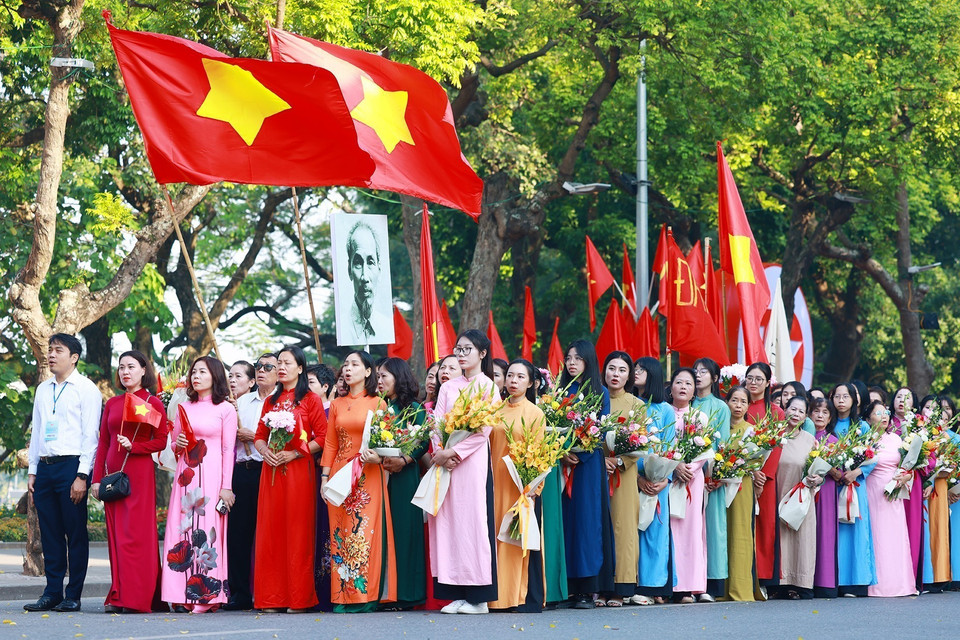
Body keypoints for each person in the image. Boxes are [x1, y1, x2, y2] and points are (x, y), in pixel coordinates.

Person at [25, 334, 102, 613]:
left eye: (58, 350)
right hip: (45, 468)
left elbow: (90, 436)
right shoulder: (43, 390)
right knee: (50, 533)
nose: (51, 354)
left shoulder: (87, 389)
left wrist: (82, 475)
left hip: (72, 468)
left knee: (75, 532)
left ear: (74, 357)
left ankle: (74, 595)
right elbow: (37, 432)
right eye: (50, 349)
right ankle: (52, 592)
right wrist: (33, 471)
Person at [91, 350, 167, 613]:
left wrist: (134, 446)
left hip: (139, 474)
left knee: (136, 536)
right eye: (121, 367)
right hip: (112, 476)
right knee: (116, 536)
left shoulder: (153, 402)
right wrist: (96, 480)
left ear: (144, 370)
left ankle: (138, 597)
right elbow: (103, 443)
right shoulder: (112, 403)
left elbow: (161, 441)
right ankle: (119, 594)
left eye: (131, 367)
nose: (125, 372)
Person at [320, 350, 396, 612]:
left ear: (368, 372)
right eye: (345, 364)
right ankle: (342, 595)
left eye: (354, 364)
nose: (347, 368)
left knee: (363, 533)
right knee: (340, 532)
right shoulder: (337, 404)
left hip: (367, 474)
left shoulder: (379, 403)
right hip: (340, 474)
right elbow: (330, 442)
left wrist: (377, 457)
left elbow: (389, 444)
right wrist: (325, 476)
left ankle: (364, 595)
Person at [254, 346, 327, 613]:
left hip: (298, 472)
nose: (281, 367)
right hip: (271, 472)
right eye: (278, 364)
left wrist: (294, 452)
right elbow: (259, 435)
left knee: (297, 533)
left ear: (300, 368)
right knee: (270, 534)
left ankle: (298, 598)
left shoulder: (310, 400)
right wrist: (265, 453)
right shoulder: (270, 402)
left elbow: (322, 437)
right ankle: (272, 598)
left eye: (286, 363)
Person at [160, 356, 236, 613]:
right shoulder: (185, 406)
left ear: (215, 376)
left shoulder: (225, 409)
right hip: (186, 478)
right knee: (181, 531)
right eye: (194, 372)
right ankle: (180, 593)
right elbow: (174, 444)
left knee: (207, 532)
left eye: (202, 372)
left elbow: (228, 449)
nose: (196, 376)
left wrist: (226, 486)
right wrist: (177, 444)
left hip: (212, 478)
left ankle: (207, 596)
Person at [558, 339, 613, 609]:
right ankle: (565, 586)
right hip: (560, 465)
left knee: (587, 525)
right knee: (565, 522)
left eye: (577, 358)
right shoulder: (559, 392)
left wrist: (579, 453)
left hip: (588, 467)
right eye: (568, 358)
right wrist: (561, 452)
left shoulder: (600, 392)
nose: (571, 363)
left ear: (588, 361)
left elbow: (599, 430)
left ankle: (585, 589)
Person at [489, 359, 547, 612]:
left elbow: (542, 455)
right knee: (495, 538)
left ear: (531, 383)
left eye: (520, 377)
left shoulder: (535, 413)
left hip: (520, 487)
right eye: (510, 375)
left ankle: (513, 596)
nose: (513, 381)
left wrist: (533, 488)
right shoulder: (493, 411)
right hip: (494, 482)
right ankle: (492, 595)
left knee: (514, 541)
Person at [225, 353, 276, 611]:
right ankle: (240, 593)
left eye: (268, 367)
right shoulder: (240, 402)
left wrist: (254, 435)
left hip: (271, 470)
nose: (261, 371)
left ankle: (271, 591)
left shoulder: (282, 403)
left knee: (271, 534)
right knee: (239, 534)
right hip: (243, 471)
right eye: (258, 367)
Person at [376, 357, 428, 610]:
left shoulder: (414, 408)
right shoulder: (378, 407)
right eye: (377, 376)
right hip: (379, 476)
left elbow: (422, 441)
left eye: (384, 376)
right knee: (383, 532)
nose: (380, 381)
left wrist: (405, 459)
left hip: (404, 476)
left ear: (398, 377)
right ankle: (385, 592)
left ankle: (407, 594)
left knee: (405, 532)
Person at [600, 351, 645, 606]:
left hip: (623, 474)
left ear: (629, 376)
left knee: (623, 527)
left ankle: (622, 586)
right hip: (596, 473)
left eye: (621, 370)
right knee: (600, 527)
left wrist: (617, 461)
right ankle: (601, 585)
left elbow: (641, 441)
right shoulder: (595, 401)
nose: (615, 374)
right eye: (611, 368)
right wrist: (599, 460)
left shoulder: (635, 405)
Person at [633, 356, 675, 605]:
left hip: (658, 481)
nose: (636, 373)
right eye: (635, 369)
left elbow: (670, 448)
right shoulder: (630, 404)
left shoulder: (665, 410)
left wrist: (665, 478)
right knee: (632, 530)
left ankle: (653, 585)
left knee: (654, 532)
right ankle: (632, 581)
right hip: (631, 477)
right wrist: (637, 477)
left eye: (641, 370)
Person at [863, 400, 915, 597]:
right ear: (868, 419)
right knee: (876, 536)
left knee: (894, 537)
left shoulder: (897, 439)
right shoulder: (864, 440)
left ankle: (900, 583)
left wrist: (905, 477)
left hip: (893, 492)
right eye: (877, 413)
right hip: (872, 491)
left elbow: (908, 466)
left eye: (885, 412)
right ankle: (875, 584)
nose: (884, 416)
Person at [830, 382, 877, 597]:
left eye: (845, 396)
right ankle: (835, 579)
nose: (841, 400)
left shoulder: (862, 427)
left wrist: (855, 473)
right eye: (837, 396)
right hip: (832, 484)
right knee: (834, 531)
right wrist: (834, 472)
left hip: (855, 485)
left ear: (853, 400)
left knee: (856, 530)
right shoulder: (828, 425)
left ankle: (856, 581)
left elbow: (872, 457)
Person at [692, 358, 731, 601]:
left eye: (704, 372)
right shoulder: (686, 403)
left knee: (712, 527)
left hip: (710, 476)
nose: (698, 376)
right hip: (685, 473)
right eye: (695, 371)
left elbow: (723, 444)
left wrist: (717, 474)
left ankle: (712, 581)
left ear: (715, 378)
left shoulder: (721, 407)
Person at [775, 395, 821, 599]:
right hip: (777, 492)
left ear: (806, 417)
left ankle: (800, 583)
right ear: (785, 409)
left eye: (801, 411)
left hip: (801, 494)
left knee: (801, 537)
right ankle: (779, 582)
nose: (795, 414)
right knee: (779, 537)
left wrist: (815, 479)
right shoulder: (774, 436)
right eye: (792, 409)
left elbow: (820, 470)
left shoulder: (810, 440)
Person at [669, 368, 709, 603]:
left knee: (692, 531)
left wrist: (688, 470)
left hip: (692, 481)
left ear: (695, 390)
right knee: (671, 530)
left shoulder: (700, 418)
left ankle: (692, 585)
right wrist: (673, 467)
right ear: (671, 386)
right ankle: (671, 584)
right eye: (679, 382)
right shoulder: (664, 414)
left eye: (689, 383)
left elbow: (704, 450)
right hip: (668, 477)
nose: (683, 386)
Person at [743, 362, 783, 597]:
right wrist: (749, 469)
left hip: (765, 480)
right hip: (740, 473)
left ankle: (763, 576)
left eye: (759, 378)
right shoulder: (739, 404)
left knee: (765, 525)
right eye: (750, 377)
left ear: (768, 383)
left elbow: (777, 447)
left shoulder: (775, 412)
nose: (754, 382)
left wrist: (764, 475)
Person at [723, 386, 761, 602]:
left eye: (743, 402)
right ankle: (720, 586)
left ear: (748, 406)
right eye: (734, 400)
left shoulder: (751, 431)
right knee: (721, 531)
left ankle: (740, 587)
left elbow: (756, 461)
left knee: (740, 532)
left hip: (742, 485)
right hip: (720, 484)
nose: (738, 405)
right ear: (726, 402)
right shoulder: (720, 427)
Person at [888, 385, 922, 587]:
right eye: (899, 396)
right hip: (889, 478)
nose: (902, 400)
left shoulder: (920, 425)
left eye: (907, 397)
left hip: (912, 479)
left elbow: (931, 456)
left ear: (913, 403)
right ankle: (891, 574)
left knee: (911, 525)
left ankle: (911, 577)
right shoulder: (886, 424)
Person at [919, 395, 951, 593]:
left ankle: (938, 576)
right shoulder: (916, 434)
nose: (930, 411)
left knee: (938, 528)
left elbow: (950, 465)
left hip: (938, 485)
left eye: (934, 408)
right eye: (927, 407)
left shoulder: (944, 438)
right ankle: (922, 575)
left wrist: (934, 476)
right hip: (920, 486)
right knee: (922, 528)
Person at [340, 221, 391, 344]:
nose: (364, 277)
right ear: (349, 269)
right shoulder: (343, 328)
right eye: (357, 263)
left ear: (379, 268)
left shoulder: (387, 328)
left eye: (370, 262)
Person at [811, 397, 840, 598]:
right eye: (816, 411)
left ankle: (825, 581)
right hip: (805, 488)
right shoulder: (803, 437)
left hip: (827, 490)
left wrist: (827, 467)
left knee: (824, 532)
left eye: (824, 413)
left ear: (830, 418)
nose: (820, 416)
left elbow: (840, 473)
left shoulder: (833, 441)